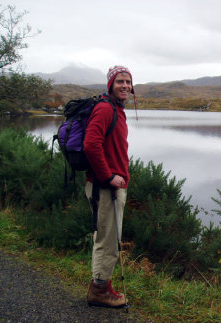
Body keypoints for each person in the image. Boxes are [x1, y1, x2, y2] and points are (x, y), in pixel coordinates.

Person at [84, 65, 135, 308]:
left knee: (104, 237)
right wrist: (108, 177)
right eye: (119, 82)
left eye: (128, 82)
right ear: (110, 85)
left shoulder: (116, 109)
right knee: (109, 240)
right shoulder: (105, 109)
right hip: (105, 188)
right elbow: (90, 145)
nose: (125, 85)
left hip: (108, 186)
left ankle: (101, 283)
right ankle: (100, 291)